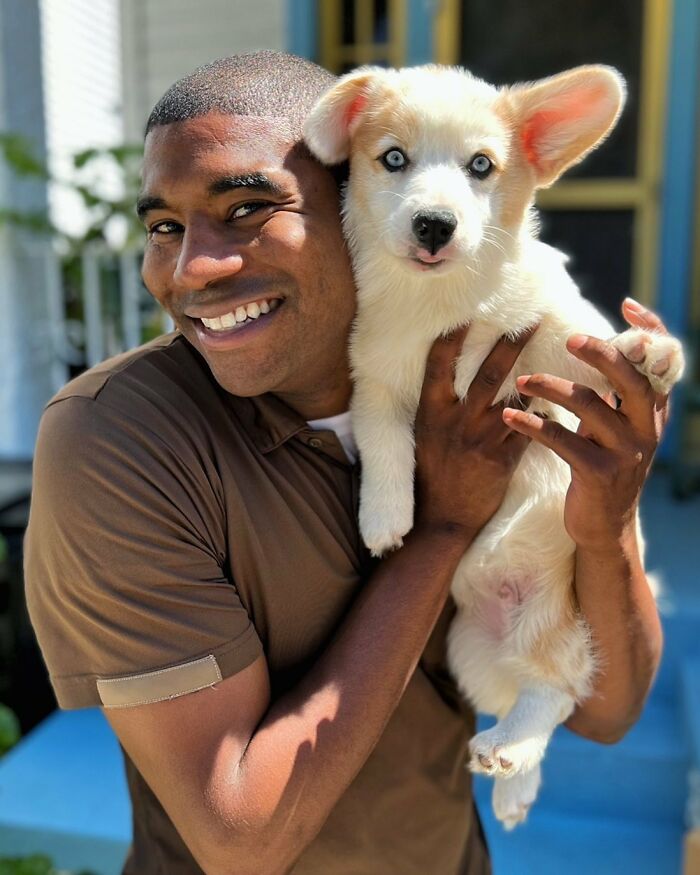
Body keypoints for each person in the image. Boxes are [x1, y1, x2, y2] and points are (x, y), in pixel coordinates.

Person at [25, 51, 668, 875]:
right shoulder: (122, 438)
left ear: (349, 194)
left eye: (249, 208)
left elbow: (608, 712)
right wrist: (442, 528)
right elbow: (239, 836)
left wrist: (608, 523)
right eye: (163, 227)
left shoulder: (484, 393)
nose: (194, 268)